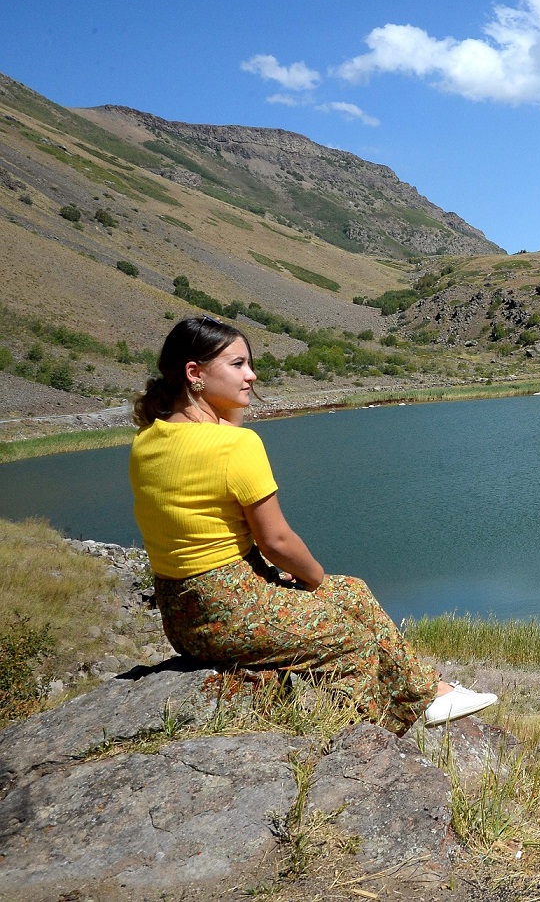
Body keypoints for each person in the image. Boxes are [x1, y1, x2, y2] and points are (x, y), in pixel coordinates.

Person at [129, 315, 495, 734]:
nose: (251, 376)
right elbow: (276, 541)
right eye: (237, 365)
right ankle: (377, 738)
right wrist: (314, 579)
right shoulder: (235, 445)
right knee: (348, 637)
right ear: (194, 373)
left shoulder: (148, 439)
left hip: (182, 614)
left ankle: (430, 694)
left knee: (354, 592)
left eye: (249, 364)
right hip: (228, 605)